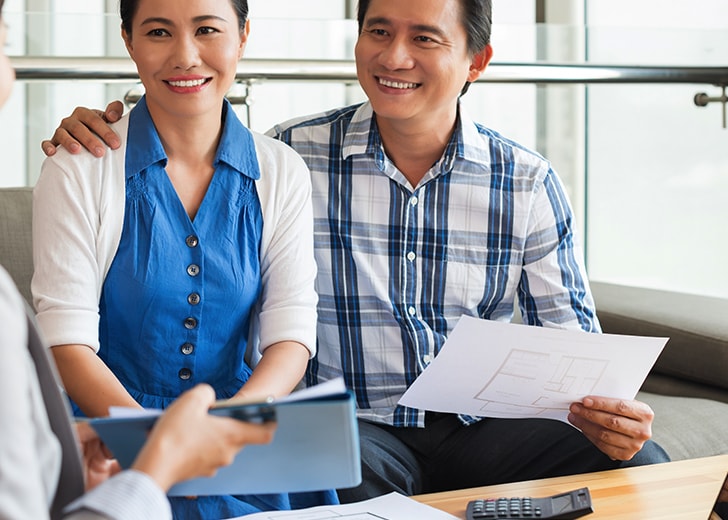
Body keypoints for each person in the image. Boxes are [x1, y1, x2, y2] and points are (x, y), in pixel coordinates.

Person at [42, 0, 670, 504]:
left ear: (477, 61)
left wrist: (610, 414)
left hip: (483, 430)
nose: (395, 56)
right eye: (379, 31)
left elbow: (577, 353)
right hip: (358, 428)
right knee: (325, 468)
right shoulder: (292, 157)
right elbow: (185, 126)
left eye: (425, 38)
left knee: (637, 461)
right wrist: (92, 124)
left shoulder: (525, 181)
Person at [32, 0, 336, 517]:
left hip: (237, 430)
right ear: (128, 41)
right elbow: (68, 341)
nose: (185, 55)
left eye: (207, 30)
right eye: (158, 32)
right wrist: (158, 450)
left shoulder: (282, 170)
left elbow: (290, 334)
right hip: (108, 438)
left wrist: (224, 430)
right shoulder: (78, 168)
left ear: (242, 37)